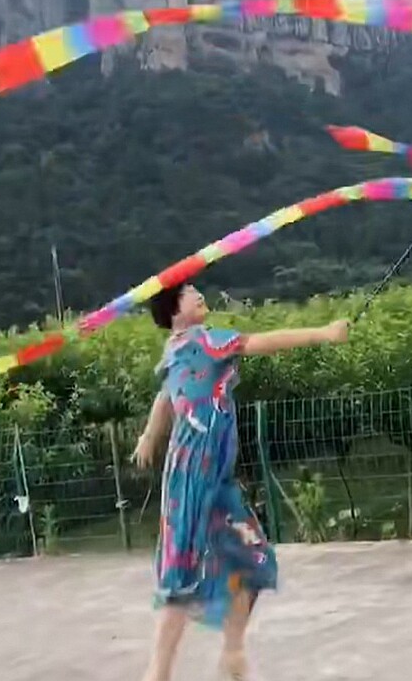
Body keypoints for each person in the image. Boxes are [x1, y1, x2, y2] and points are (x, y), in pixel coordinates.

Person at [132, 283, 349, 681]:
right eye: (189, 292)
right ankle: (157, 674)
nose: (199, 294)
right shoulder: (202, 342)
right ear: (174, 310)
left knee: (252, 558)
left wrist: (149, 434)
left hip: (217, 482)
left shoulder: (179, 349)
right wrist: (324, 333)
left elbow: (166, 395)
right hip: (189, 482)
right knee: (181, 576)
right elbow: (263, 342)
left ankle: (233, 655)